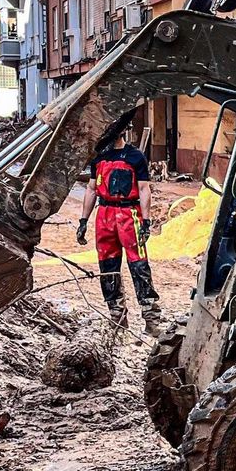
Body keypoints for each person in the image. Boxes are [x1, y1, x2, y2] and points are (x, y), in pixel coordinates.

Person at [76, 128, 159, 328]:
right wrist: (83, 220)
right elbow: (91, 188)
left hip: (129, 214)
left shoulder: (135, 156)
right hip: (104, 215)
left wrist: (146, 220)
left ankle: (150, 316)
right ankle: (116, 314)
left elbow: (143, 188)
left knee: (138, 264)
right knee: (107, 265)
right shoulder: (99, 156)